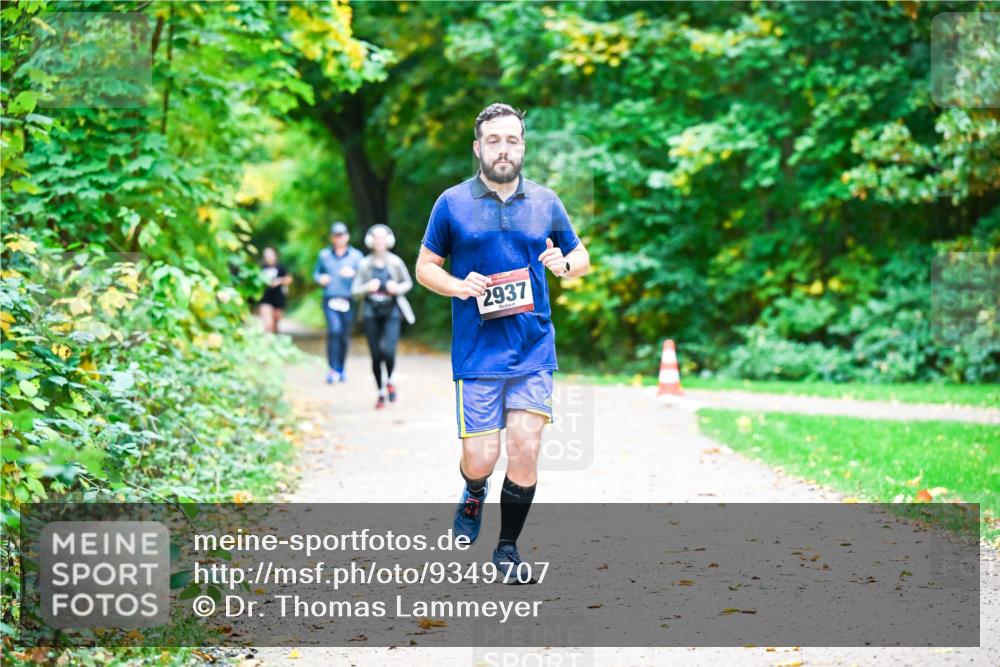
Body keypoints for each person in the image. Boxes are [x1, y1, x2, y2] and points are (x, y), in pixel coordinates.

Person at [415, 103, 590, 582]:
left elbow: (580, 256)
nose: (504, 148)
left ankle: (507, 549)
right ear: (478, 147)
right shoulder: (452, 203)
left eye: (512, 140)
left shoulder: (545, 201)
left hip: (533, 346)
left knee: (527, 446)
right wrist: (458, 285)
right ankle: (474, 490)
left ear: (523, 146)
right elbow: (425, 266)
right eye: (494, 140)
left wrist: (565, 266)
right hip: (478, 352)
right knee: (482, 458)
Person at [352, 224, 416, 410]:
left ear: (388, 241)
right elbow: (354, 291)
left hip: (393, 311)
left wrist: (396, 288)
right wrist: (367, 287)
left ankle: (390, 380)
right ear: (370, 241)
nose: (379, 242)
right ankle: (380, 391)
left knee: (388, 351)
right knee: (375, 355)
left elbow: (408, 283)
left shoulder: (395, 262)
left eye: (382, 238)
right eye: (376, 238)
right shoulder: (364, 264)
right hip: (370, 313)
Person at [313, 222, 363, 384]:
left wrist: (354, 273)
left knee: (344, 335)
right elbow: (316, 273)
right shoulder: (324, 255)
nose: (339, 238)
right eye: (336, 235)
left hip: (348, 300)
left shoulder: (356, 256)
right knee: (334, 331)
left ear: (347, 236)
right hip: (330, 299)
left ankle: (341, 368)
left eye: (342, 235)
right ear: (332, 238)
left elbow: (365, 275)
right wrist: (321, 278)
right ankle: (332, 369)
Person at [257, 246, 292, 334]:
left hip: (278, 297)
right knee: (268, 324)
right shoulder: (260, 268)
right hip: (265, 297)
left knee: (275, 324)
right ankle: (268, 342)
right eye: (266, 256)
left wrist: (279, 281)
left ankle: (274, 340)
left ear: (275, 256)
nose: (269, 258)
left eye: (270, 255)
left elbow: (289, 279)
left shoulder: (281, 267)